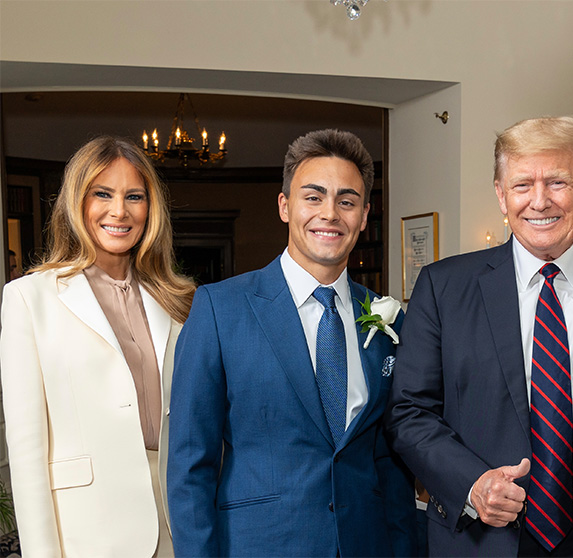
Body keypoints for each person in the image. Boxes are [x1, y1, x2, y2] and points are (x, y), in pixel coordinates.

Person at [385, 117, 573, 557]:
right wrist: (472, 482)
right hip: (482, 533)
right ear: (502, 196)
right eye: (522, 185)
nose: (539, 202)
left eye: (558, 181)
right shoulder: (444, 288)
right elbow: (408, 411)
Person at [167, 128, 416, 557]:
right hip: (260, 544)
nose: (330, 213)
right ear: (285, 206)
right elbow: (191, 465)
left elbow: (391, 464)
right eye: (313, 197)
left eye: (347, 201)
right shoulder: (219, 309)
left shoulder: (387, 318)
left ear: (364, 213)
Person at [0, 136, 195, 557]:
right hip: (87, 533)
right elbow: (27, 453)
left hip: (178, 524)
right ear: (76, 202)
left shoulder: (178, 301)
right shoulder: (29, 299)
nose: (119, 211)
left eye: (134, 196)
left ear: (150, 208)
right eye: (102, 194)